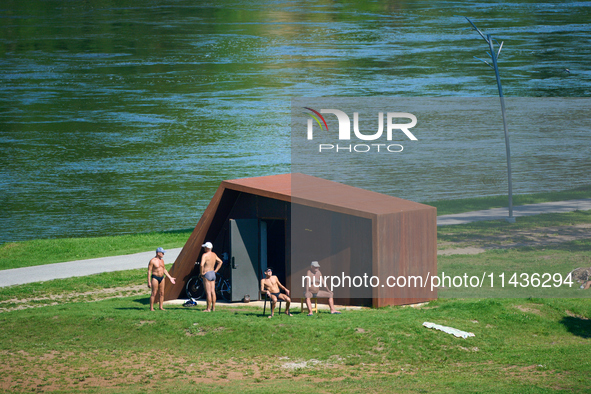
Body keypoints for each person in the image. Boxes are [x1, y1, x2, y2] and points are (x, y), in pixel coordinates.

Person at [147, 247, 176, 311]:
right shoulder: (152, 261)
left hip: (162, 277)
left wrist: (170, 277)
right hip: (155, 278)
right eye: (162, 253)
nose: (163, 254)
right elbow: (149, 271)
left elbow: (164, 270)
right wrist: (149, 281)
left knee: (162, 293)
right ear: (158, 253)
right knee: (154, 293)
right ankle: (151, 308)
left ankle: (161, 307)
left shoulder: (162, 260)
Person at [200, 242, 223, 312]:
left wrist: (201, 273)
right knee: (213, 291)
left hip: (207, 274)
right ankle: (213, 308)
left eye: (204, 247)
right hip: (213, 273)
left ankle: (208, 308)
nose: (204, 248)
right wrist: (215, 270)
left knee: (208, 292)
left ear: (207, 248)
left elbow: (201, 265)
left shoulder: (205, 255)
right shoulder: (214, 254)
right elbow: (220, 262)